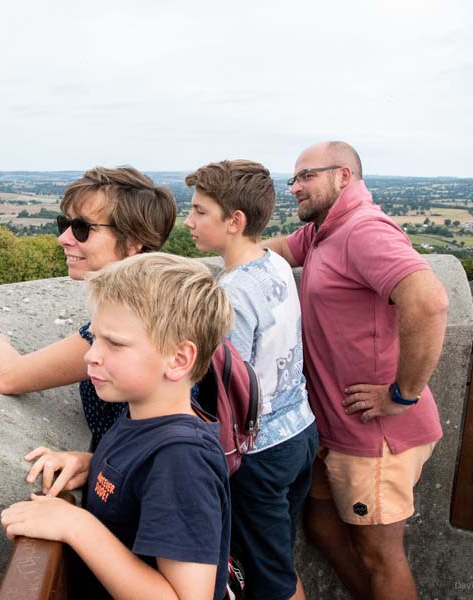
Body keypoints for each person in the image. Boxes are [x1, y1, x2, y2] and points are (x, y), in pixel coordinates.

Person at [265, 141, 448, 600]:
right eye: (293, 179)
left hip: (375, 435)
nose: (295, 188)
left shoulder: (365, 231)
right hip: (334, 430)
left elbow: (429, 302)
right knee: (323, 525)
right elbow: (273, 251)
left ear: (343, 176)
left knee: (380, 557)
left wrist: (402, 394)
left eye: (306, 176)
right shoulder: (325, 230)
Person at [0, 253, 233, 600]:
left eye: (115, 343)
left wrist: (76, 525)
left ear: (179, 359)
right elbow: (143, 483)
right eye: (95, 339)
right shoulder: (143, 416)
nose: (91, 355)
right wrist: (93, 464)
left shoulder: (182, 459)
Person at [0, 166, 176, 448]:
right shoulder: (161, 297)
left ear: (133, 243)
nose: (63, 238)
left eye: (81, 228)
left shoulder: (131, 320)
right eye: (63, 224)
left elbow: (9, 377)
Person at [183, 160, 317, 600]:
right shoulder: (274, 263)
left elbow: (228, 389)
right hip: (300, 432)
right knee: (276, 561)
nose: (189, 221)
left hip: (259, 454)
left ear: (235, 221)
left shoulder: (230, 295)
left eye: (201, 211)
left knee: (271, 581)